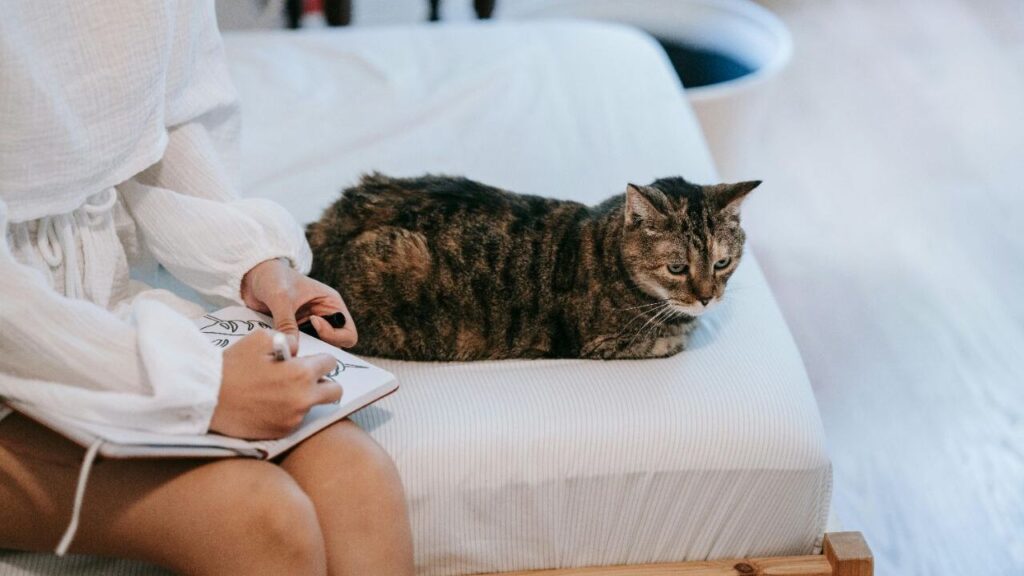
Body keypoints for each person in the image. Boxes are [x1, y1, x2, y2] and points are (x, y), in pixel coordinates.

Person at [0, 2, 415, 575]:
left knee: (358, 479)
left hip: (96, 310)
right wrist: (197, 386)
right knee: (259, 519)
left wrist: (256, 262)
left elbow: (153, 121)